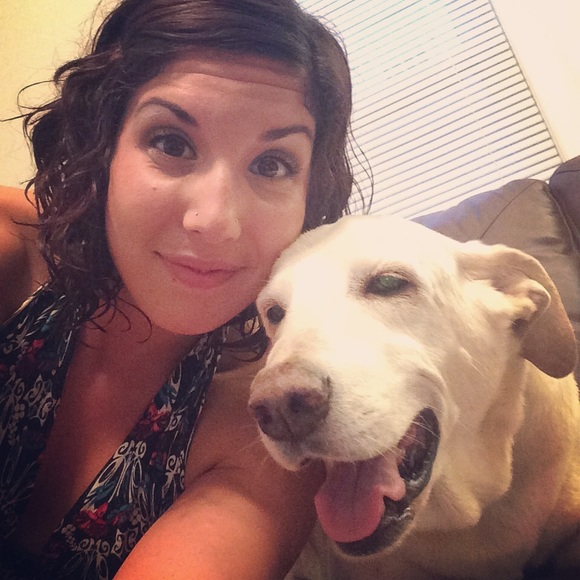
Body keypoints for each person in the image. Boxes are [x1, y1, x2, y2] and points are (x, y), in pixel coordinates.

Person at [0, 0, 364, 578]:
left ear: (309, 197)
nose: (214, 221)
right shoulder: (13, 256)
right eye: (171, 143)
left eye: (272, 164)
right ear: (104, 145)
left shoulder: (268, 428)